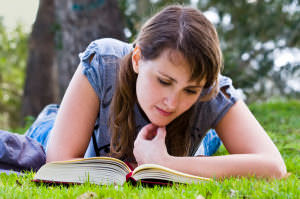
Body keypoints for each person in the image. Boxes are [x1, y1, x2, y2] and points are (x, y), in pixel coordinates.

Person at [25, 5, 286, 178]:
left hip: (175, 144)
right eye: (163, 81)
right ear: (137, 58)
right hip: (59, 125)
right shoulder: (104, 60)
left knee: (205, 141)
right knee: (42, 139)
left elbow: (273, 166)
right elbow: (58, 162)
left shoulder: (211, 88)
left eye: (190, 90)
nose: (172, 102)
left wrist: (167, 163)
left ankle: (206, 138)